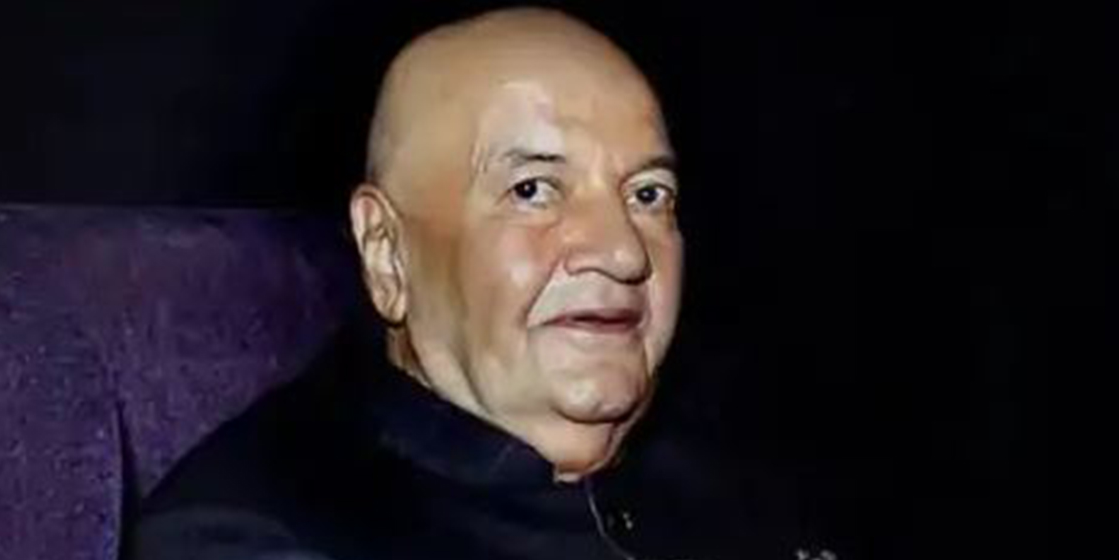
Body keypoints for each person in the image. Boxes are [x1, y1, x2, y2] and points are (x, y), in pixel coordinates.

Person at [130, 7, 834, 560]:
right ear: (386, 253)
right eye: (533, 190)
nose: (623, 251)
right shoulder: (251, 533)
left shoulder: (749, 468)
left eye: (648, 195)